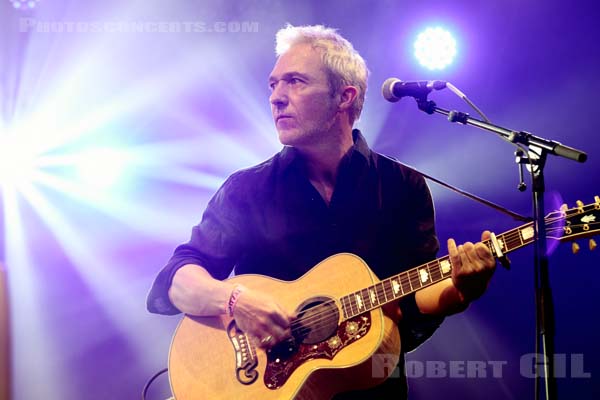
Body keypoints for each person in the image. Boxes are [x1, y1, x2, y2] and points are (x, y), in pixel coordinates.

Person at [147, 24, 497, 399]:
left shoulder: (403, 186)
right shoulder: (246, 190)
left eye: (295, 82)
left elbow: (412, 299)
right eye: (273, 85)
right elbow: (178, 279)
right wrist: (235, 301)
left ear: (344, 97)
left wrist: (461, 290)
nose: (277, 98)